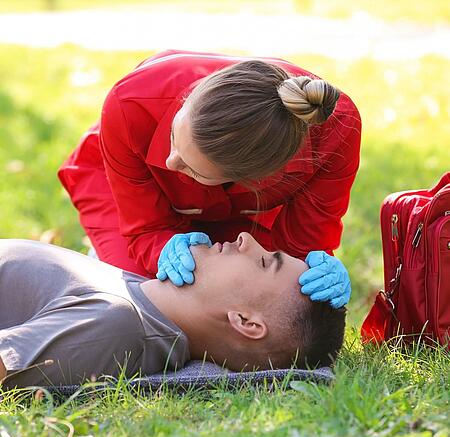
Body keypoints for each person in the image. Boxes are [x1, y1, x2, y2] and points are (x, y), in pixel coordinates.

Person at [58, 49, 361, 311]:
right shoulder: (130, 102)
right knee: (148, 301)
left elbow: (298, 246)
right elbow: (146, 228)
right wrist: (161, 247)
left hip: (243, 207)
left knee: (256, 294)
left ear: (254, 178)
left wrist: (308, 273)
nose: (169, 162)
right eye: (174, 137)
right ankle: (103, 258)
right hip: (118, 183)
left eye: (194, 170)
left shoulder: (336, 131)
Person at [0, 233, 345, 389]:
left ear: (245, 321)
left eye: (265, 261)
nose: (245, 238)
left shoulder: (120, 326)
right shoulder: (146, 299)